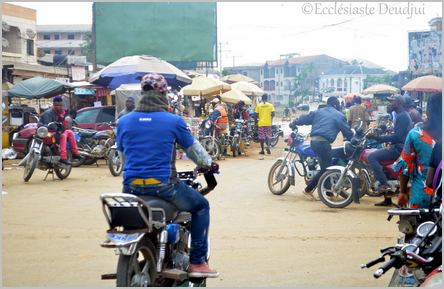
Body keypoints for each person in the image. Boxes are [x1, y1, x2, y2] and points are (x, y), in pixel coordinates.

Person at [116, 73, 219, 278]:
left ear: (141, 94)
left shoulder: (124, 122)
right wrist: (209, 165)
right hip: (164, 186)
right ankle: (197, 262)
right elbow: (195, 152)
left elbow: (123, 157)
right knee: (201, 206)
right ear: (164, 95)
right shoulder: (173, 121)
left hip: (130, 187)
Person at [290, 96, 354, 198]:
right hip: (323, 143)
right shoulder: (339, 115)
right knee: (327, 169)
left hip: (314, 142)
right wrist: (355, 140)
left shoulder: (318, 112)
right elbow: (347, 132)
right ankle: (308, 189)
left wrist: (294, 122)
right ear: (336, 105)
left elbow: (305, 118)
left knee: (325, 166)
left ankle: (328, 192)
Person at [393, 93, 441, 209]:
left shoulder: (415, 135)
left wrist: (403, 192)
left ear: (428, 111)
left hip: (422, 195)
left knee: (419, 226)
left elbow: (405, 167)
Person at [367, 94, 413, 206]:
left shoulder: (402, 116)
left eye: (391, 101)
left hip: (399, 148)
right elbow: (397, 133)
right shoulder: (401, 115)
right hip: (399, 146)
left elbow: (397, 137)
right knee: (383, 166)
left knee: (371, 156)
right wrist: (385, 130)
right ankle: (387, 199)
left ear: (397, 103)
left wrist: (378, 138)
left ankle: (383, 184)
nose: (389, 104)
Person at [38, 96, 81, 165]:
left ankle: (75, 153)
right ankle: (63, 158)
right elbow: (48, 126)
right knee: (63, 136)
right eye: (57, 105)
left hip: (57, 131)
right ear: (54, 105)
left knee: (70, 132)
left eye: (61, 105)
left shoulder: (61, 113)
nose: (59, 107)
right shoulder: (48, 113)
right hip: (48, 132)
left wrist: (63, 125)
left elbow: (63, 124)